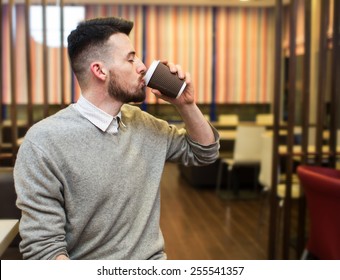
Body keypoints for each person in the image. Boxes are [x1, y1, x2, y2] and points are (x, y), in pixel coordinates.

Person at [14, 17, 220, 260]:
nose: (142, 66)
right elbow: (44, 251)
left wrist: (186, 104)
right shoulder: (43, 142)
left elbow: (205, 153)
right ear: (100, 70)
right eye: (131, 59)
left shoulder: (143, 123)